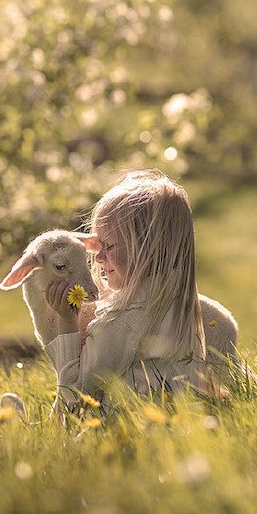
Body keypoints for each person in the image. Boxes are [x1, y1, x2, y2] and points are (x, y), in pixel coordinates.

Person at [43, 169, 210, 410]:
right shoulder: (176, 300)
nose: (98, 257)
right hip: (181, 422)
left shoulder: (126, 319)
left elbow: (75, 392)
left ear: (150, 248)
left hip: (122, 431)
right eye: (98, 245)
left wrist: (67, 319)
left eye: (109, 246)